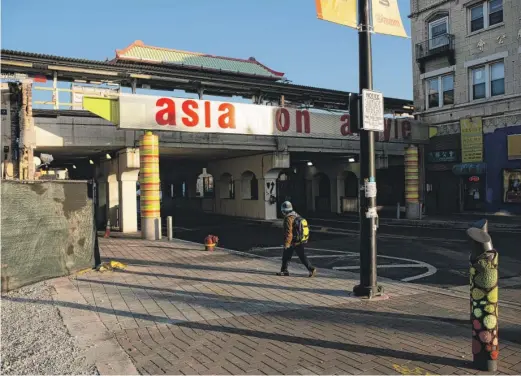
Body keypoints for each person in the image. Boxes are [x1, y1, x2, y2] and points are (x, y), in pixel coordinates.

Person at [276, 201, 316, 277]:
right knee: (299, 256)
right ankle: (311, 269)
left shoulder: (288, 218)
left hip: (292, 241)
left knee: (286, 256)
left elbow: (289, 232)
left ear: (284, 210)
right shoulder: (295, 215)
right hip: (298, 240)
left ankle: (284, 270)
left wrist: (287, 243)